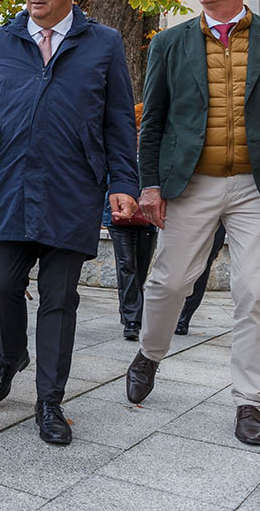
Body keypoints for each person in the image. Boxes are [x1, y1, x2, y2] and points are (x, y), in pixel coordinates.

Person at [0, 0, 138, 445]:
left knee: (59, 298)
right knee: (0, 286)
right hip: (7, 187)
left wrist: (123, 183)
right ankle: (11, 354)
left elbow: (119, 121)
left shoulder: (103, 44)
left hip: (71, 189)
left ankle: (49, 402)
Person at [126, 0, 260, 447]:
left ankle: (250, 401)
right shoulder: (171, 42)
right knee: (168, 283)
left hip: (259, 187)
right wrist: (149, 183)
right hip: (192, 182)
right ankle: (149, 352)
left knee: (258, 291)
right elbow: (155, 122)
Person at [103, 103, 156, 341]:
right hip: (117, 216)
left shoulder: (154, 151)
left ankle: (130, 310)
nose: (139, 133)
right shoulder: (117, 150)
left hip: (147, 218)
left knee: (141, 267)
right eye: (136, 128)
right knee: (126, 265)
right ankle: (133, 320)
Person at [176, 223, 226, 335]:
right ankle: (171, 314)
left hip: (217, 226)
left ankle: (184, 318)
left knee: (203, 269)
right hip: (189, 222)